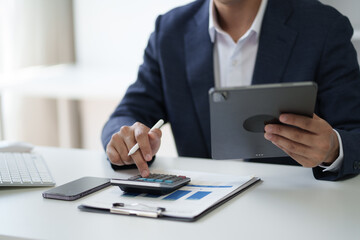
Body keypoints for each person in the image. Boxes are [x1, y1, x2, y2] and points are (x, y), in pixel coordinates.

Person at [102, 0, 360, 181]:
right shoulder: (170, 31)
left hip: (298, 211)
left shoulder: (323, 27)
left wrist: (332, 149)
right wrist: (126, 138)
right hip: (199, 212)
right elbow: (127, 113)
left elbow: (355, 133)